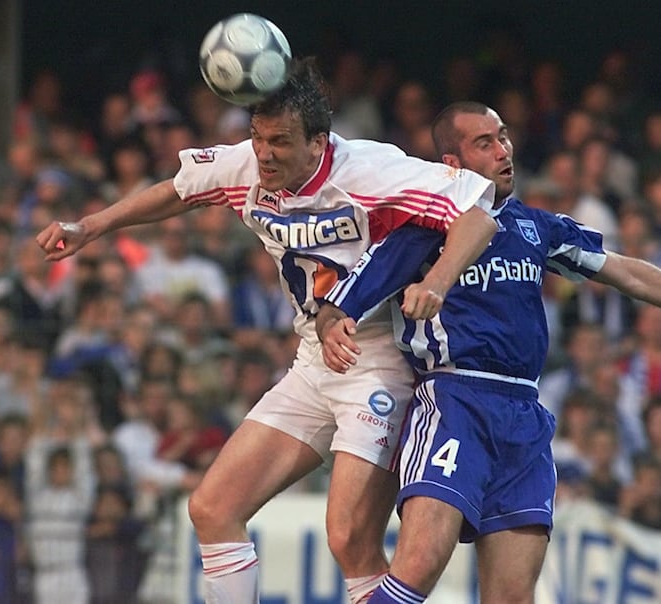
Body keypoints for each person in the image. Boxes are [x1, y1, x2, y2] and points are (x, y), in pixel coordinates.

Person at [35, 58, 497, 604]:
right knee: (212, 508)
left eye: (279, 141)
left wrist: (439, 280)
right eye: (257, 138)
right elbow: (176, 190)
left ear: (320, 142)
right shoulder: (245, 166)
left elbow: (477, 211)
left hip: (378, 361)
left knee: (349, 538)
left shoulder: (371, 170)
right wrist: (89, 226)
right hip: (312, 360)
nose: (264, 153)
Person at [316, 101, 661, 603]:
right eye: (484, 143)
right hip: (455, 402)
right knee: (419, 567)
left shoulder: (536, 227)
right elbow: (337, 301)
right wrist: (330, 326)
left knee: (514, 597)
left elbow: (627, 271)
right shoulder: (424, 229)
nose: (503, 151)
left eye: (503, 137)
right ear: (451, 165)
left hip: (524, 418)